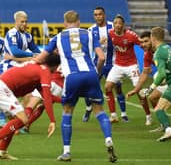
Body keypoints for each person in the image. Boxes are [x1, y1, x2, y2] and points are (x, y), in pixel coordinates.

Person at [33, 10, 117, 163]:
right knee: (99, 110)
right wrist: (97, 73)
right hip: (90, 74)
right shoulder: (90, 34)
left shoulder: (58, 37)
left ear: (64, 23)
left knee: (67, 111)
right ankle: (108, 139)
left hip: (72, 77)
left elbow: (41, 58)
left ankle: (66, 152)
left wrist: (30, 61)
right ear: (79, 22)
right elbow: (102, 57)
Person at [0, 53, 60, 160]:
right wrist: (52, 120)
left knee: (14, 121)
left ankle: (2, 151)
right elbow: (47, 98)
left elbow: (44, 94)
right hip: (2, 89)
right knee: (24, 119)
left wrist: (65, 100)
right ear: (55, 66)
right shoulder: (45, 71)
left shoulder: (37, 68)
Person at [127, 31, 171, 136]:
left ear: (152, 40)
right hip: (168, 78)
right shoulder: (148, 55)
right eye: (141, 42)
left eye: (146, 41)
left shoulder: (162, 50)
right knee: (153, 98)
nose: (142, 45)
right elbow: (145, 72)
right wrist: (136, 89)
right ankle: (166, 124)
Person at [104, 14, 152, 125]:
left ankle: (148, 116)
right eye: (115, 23)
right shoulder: (110, 33)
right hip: (118, 65)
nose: (117, 25)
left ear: (123, 25)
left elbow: (143, 44)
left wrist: (149, 58)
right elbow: (107, 39)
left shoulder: (131, 35)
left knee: (139, 91)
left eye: (119, 23)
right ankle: (113, 115)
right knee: (107, 87)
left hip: (131, 65)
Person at [83, 6, 126, 122]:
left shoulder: (113, 26)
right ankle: (88, 108)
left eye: (100, 14)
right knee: (88, 87)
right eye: (96, 15)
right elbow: (87, 48)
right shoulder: (91, 30)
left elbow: (123, 38)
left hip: (112, 63)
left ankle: (122, 113)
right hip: (98, 63)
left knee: (117, 88)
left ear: (104, 15)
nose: (98, 16)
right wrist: (97, 43)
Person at [0, 11, 41, 128]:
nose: (25, 24)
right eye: (22, 21)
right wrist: (31, 56)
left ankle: (20, 120)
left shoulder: (28, 36)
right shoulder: (12, 33)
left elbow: (36, 50)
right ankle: (2, 120)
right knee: (7, 94)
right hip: (9, 66)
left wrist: (44, 55)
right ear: (16, 21)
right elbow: (15, 51)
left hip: (20, 67)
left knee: (28, 94)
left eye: (26, 21)